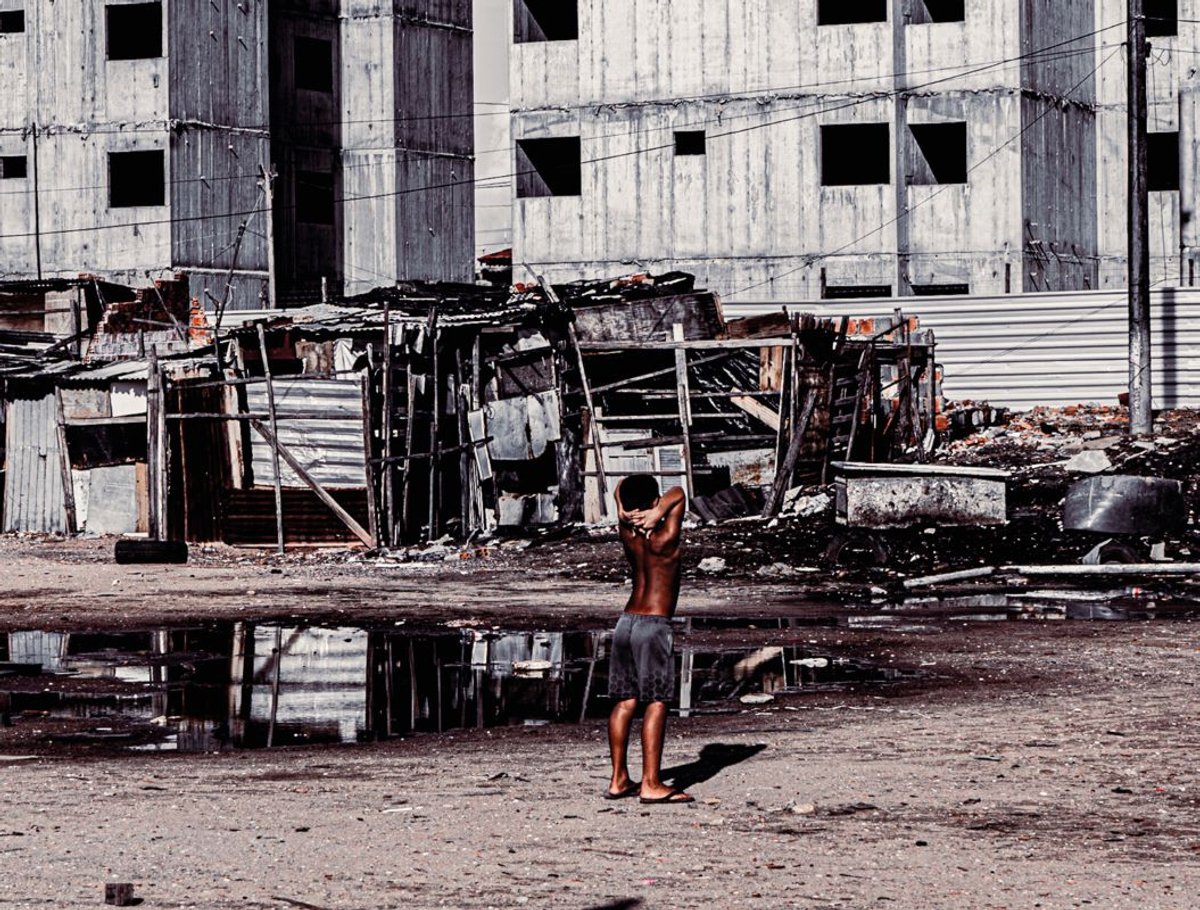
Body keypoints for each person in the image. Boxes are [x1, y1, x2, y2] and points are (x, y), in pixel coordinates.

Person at [604, 474, 694, 805]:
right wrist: (658, 513)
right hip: (654, 625)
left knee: (625, 701)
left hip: (626, 623)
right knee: (656, 701)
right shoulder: (665, 537)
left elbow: (619, 487)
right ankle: (651, 783)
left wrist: (622, 509)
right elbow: (679, 493)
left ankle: (618, 779)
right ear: (655, 503)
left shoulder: (626, 531)